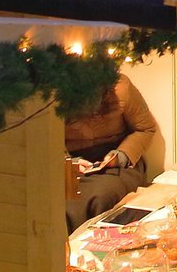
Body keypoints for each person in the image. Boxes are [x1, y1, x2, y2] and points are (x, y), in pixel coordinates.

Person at [65, 72, 160, 230]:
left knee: (102, 194)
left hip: (119, 162)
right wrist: (69, 162)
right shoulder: (53, 92)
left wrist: (121, 155)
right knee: (63, 199)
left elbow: (145, 128)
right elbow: (45, 137)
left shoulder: (121, 87)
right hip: (72, 163)